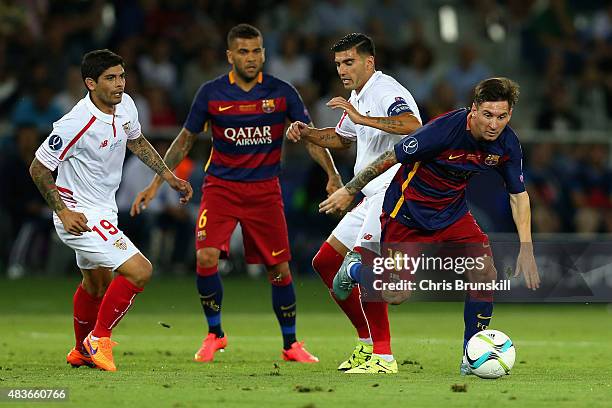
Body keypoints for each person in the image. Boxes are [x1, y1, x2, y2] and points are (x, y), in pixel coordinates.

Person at [131, 24, 340, 363]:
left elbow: (310, 136)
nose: (251, 58)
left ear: (263, 54)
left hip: (265, 192)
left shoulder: (282, 92)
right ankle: (215, 334)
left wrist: (332, 175)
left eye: (256, 51)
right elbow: (185, 139)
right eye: (243, 52)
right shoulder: (211, 93)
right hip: (221, 188)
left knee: (279, 270)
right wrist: (157, 183)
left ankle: (291, 344)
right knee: (205, 257)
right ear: (230, 56)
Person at [320, 77, 541, 375]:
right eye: (487, 115)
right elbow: (390, 157)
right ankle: (355, 269)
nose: (494, 124)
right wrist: (350, 189)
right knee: (395, 295)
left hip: (452, 215)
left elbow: (519, 196)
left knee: (485, 272)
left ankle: (470, 354)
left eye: (502, 117)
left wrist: (526, 247)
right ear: (474, 110)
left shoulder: (507, 144)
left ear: (510, 114)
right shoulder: (443, 130)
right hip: (407, 214)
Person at [29, 49, 193, 372]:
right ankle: (98, 339)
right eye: (110, 79)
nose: (119, 84)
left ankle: (80, 350)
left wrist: (167, 176)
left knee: (96, 285)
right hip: (79, 213)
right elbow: (38, 168)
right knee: (140, 270)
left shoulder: (126, 105)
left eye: (121, 76)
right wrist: (62, 212)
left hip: (104, 209)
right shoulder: (76, 122)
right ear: (90, 83)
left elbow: (137, 142)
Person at [286, 33, 422, 373]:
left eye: (349, 62)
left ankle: (384, 356)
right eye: (338, 64)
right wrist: (307, 132)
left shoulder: (386, 91)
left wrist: (363, 119)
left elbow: (412, 125)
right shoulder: (357, 95)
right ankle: (365, 343)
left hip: (394, 189)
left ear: (369, 62)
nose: (343, 70)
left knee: (363, 268)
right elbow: (342, 139)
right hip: (370, 192)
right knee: (327, 262)